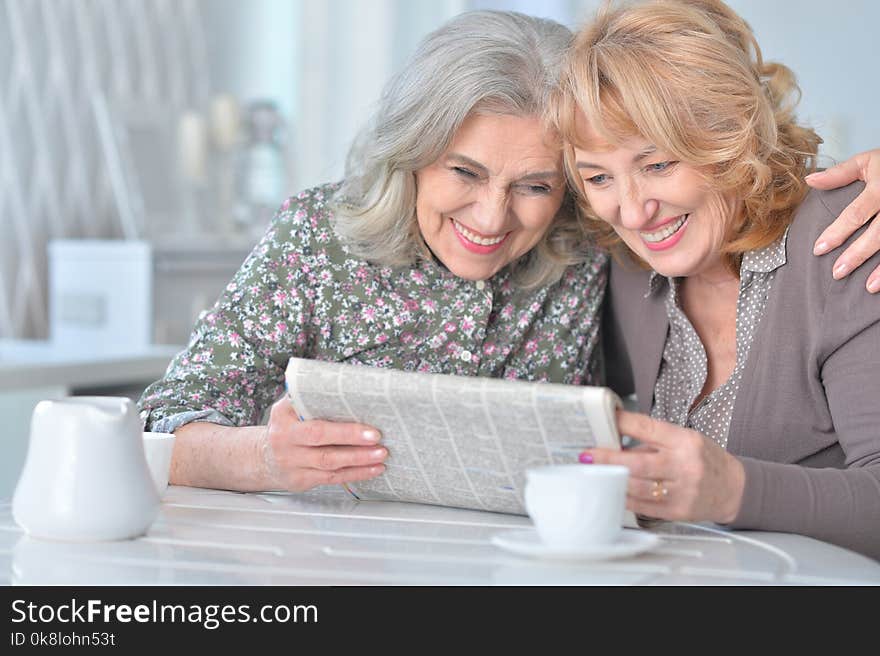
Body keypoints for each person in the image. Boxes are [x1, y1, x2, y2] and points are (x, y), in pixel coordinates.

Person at [140, 10, 880, 501]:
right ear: (412, 153)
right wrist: (263, 460)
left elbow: (733, 179)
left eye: (534, 184)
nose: (493, 217)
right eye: (464, 172)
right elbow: (154, 432)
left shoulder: (594, 244)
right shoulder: (320, 237)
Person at [553, 0, 880, 558]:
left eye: (658, 165)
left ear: (732, 134)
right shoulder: (618, 257)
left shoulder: (848, 238)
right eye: (599, 177)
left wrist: (733, 490)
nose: (632, 213)